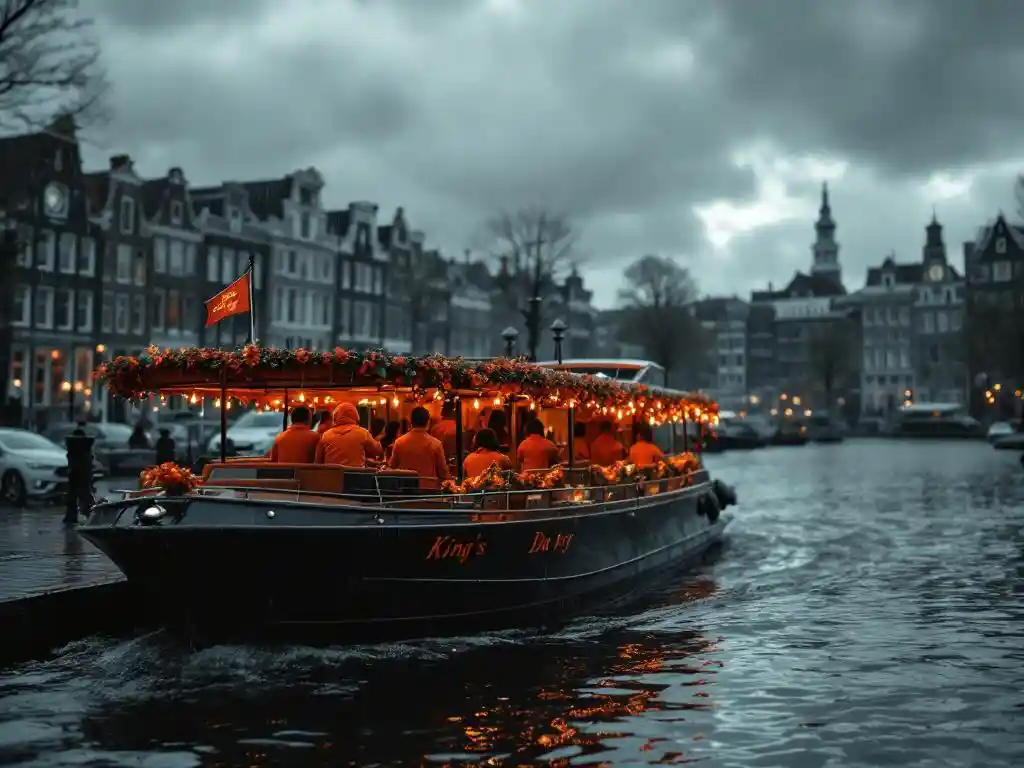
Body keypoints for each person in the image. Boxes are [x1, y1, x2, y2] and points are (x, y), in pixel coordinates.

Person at [389, 406, 450, 490]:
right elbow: (443, 472)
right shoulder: (436, 444)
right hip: (429, 491)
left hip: (405, 491)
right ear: (427, 422)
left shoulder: (399, 442)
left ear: (411, 421)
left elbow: (392, 467)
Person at [315, 402, 383, 466]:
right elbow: (377, 451)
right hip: (355, 477)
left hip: (332, 477)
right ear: (356, 416)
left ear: (335, 416)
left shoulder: (326, 435)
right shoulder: (362, 433)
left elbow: (318, 462)